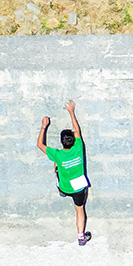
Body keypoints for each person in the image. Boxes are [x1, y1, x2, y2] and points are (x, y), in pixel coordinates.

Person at [37, 99, 91, 245]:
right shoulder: (78, 148)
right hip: (78, 187)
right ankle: (81, 237)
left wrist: (43, 127)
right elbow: (77, 130)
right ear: (73, 141)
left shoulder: (58, 154)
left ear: (62, 143)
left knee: (56, 164)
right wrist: (71, 112)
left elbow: (40, 145)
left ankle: (61, 192)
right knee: (80, 210)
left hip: (65, 186)